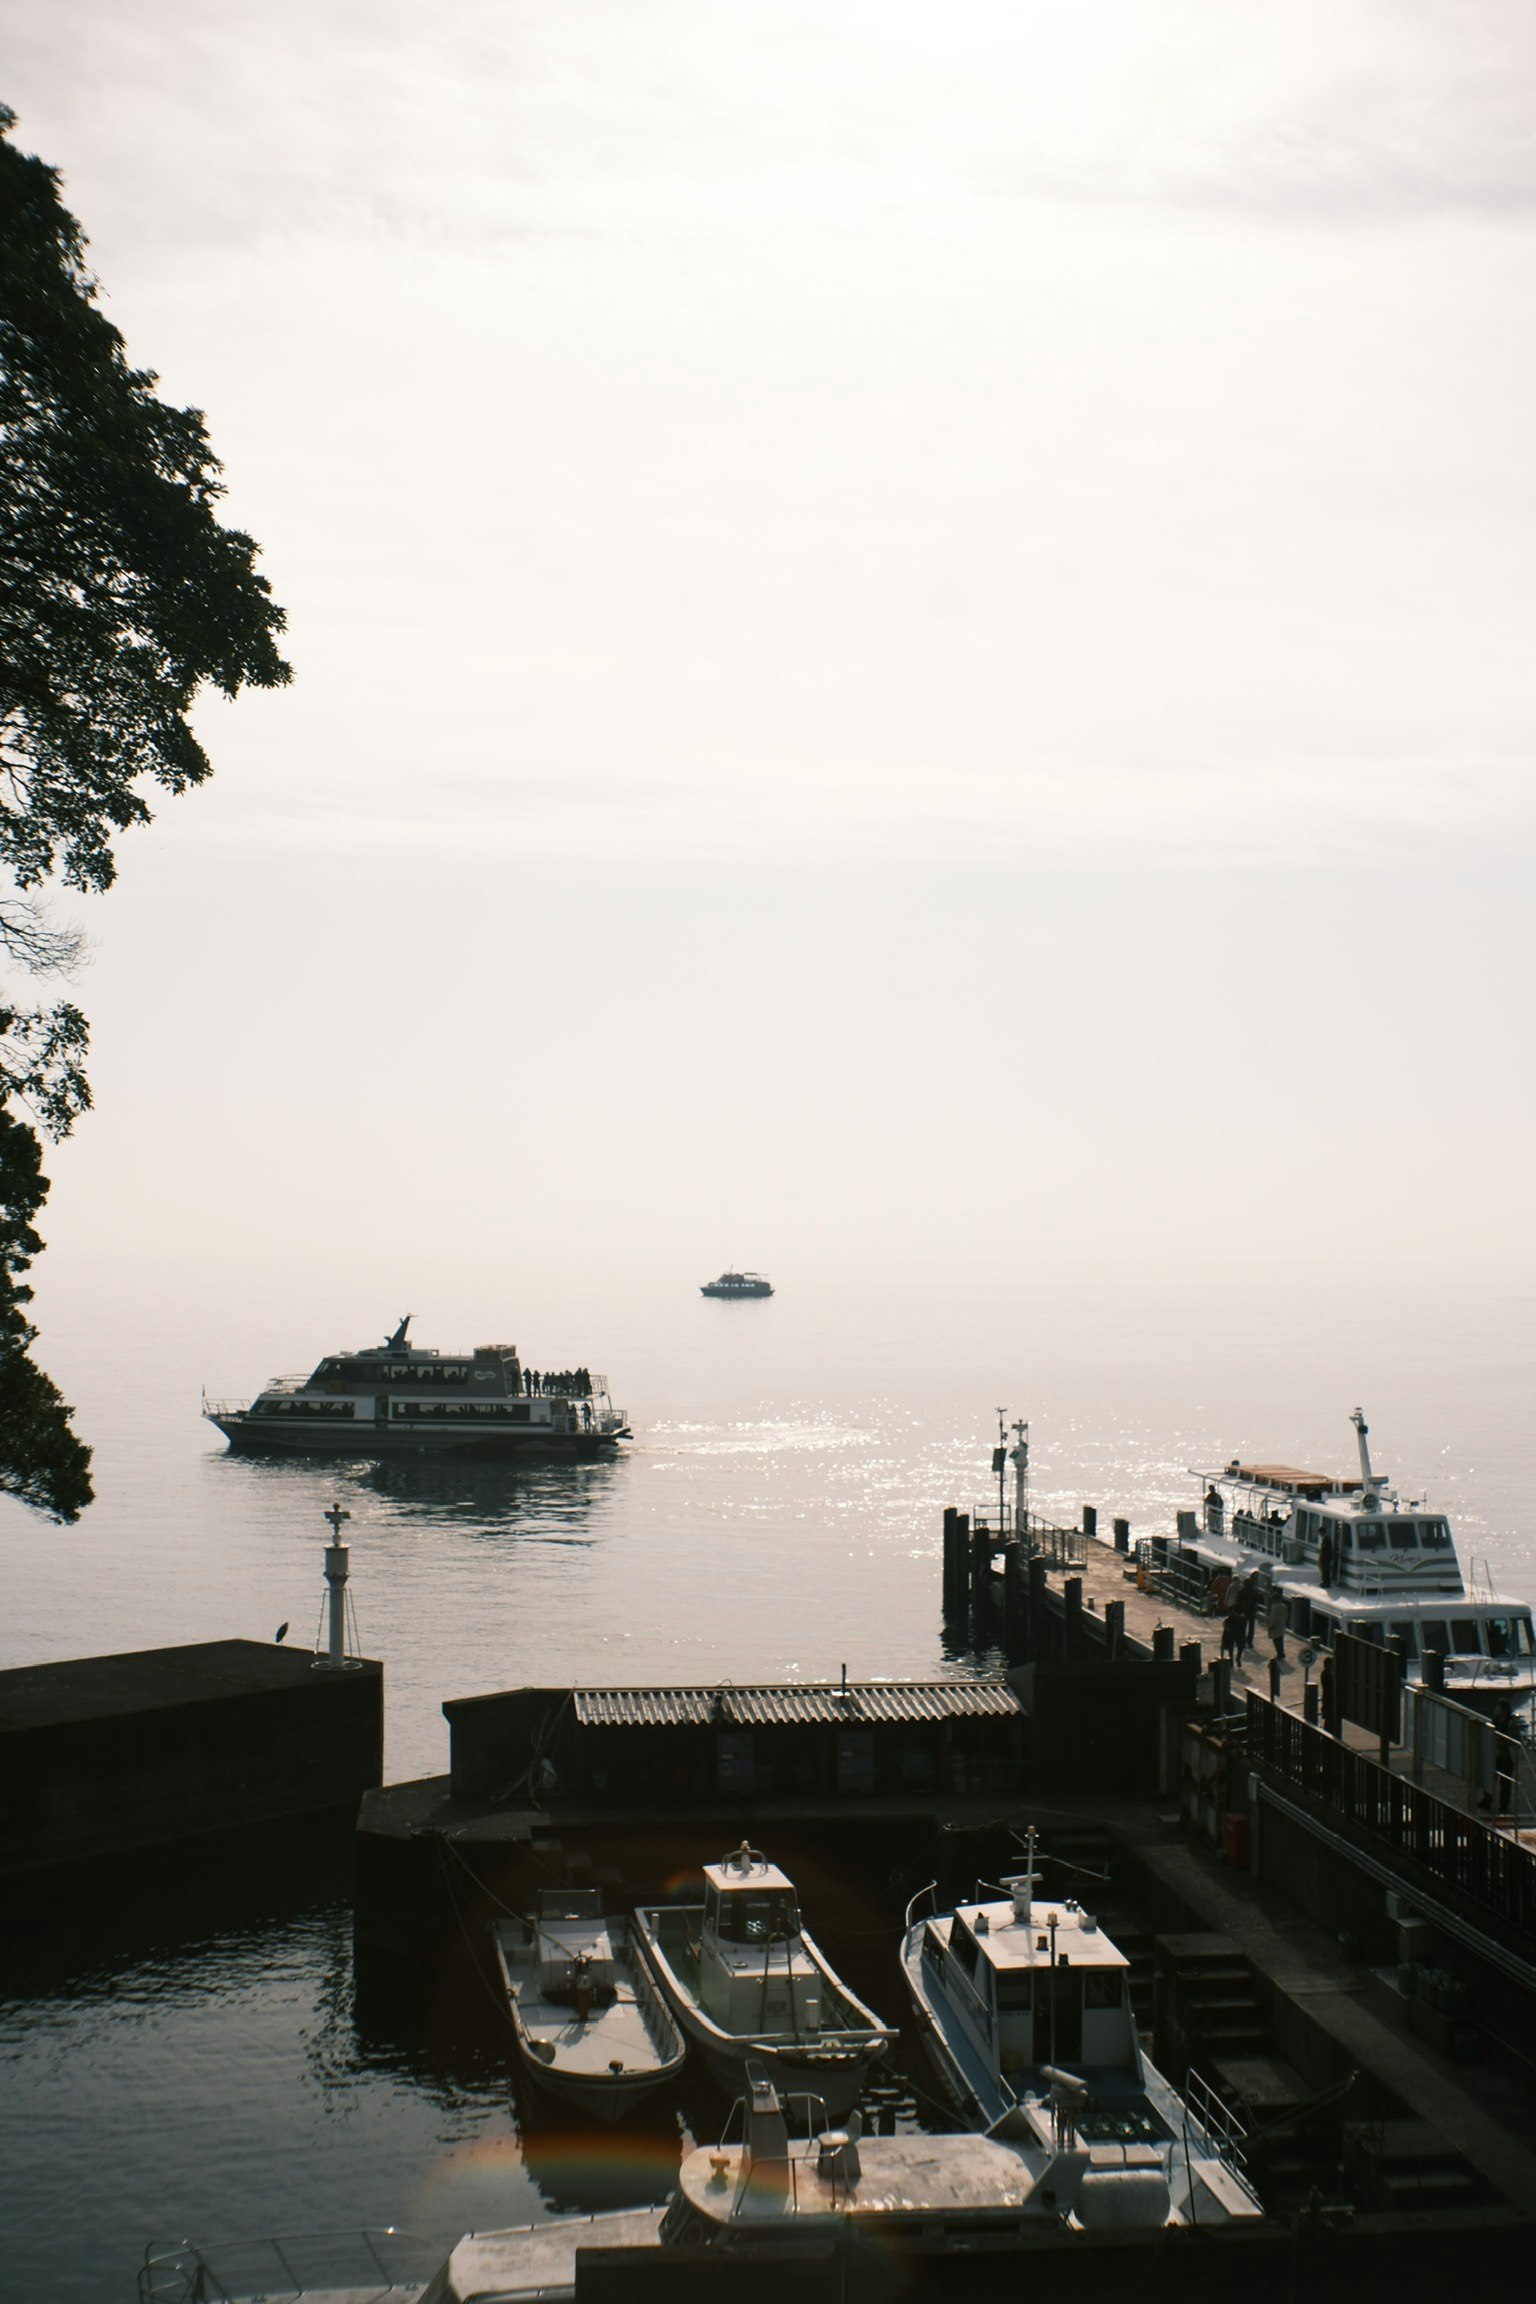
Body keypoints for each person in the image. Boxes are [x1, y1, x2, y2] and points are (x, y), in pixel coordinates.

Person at [1267, 1594, 1289, 1666]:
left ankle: (1280, 1653)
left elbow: (1273, 1617)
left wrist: (1270, 1625)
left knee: (1276, 1640)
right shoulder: (1283, 1605)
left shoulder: (1275, 1607)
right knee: (1280, 1639)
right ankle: (1281, 1653)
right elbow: (1287, 1614)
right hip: (1282, 1625)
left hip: (1276, 1626)